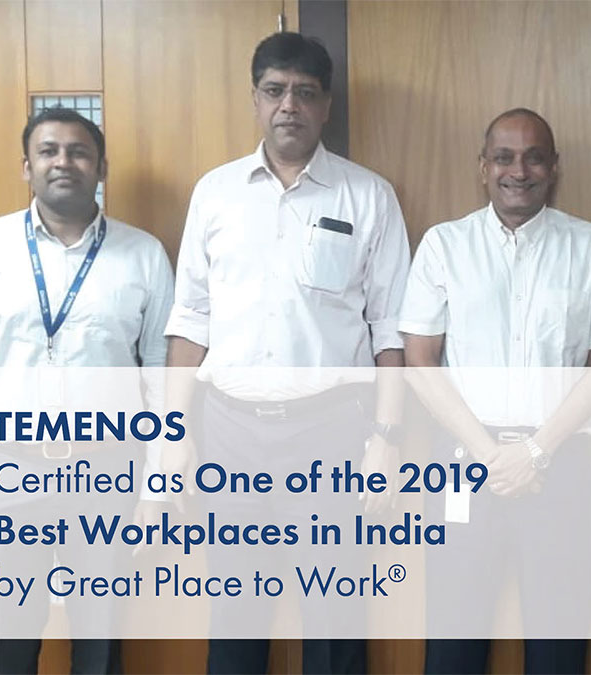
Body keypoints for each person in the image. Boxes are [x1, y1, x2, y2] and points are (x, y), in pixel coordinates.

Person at [163, 31, 411, 675]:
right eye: (275, 91)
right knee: (235, 617)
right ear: (255, 99)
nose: (289, 106)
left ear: (326, 105)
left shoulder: (368, 196)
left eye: (305, 93)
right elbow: (190, 320)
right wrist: (173, 436)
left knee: (335, 618)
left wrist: (386, 438)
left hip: (331, 433)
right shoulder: (215, 193)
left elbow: (389, 330)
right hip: (229, 433)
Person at [0, 106, 174, 674]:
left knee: (101, 642)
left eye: (79, 152)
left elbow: (163, 378)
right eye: (48, 151)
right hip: (6, 472)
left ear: (101, 167)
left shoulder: (144, 254)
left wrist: (158, 489)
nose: (64, 162)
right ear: (26, 166)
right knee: (7, 643)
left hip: (108, 472)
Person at [399, 108, 591, 674]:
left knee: (558, 643)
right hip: (463, 461)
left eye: (534, 158)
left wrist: (534, 452)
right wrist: (489, 454)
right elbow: (419, 361)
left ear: (554, 167)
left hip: (559, 464)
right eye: (504, 157)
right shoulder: (444, 245)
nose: (519, 171)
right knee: (453, 641)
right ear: (483, 167)